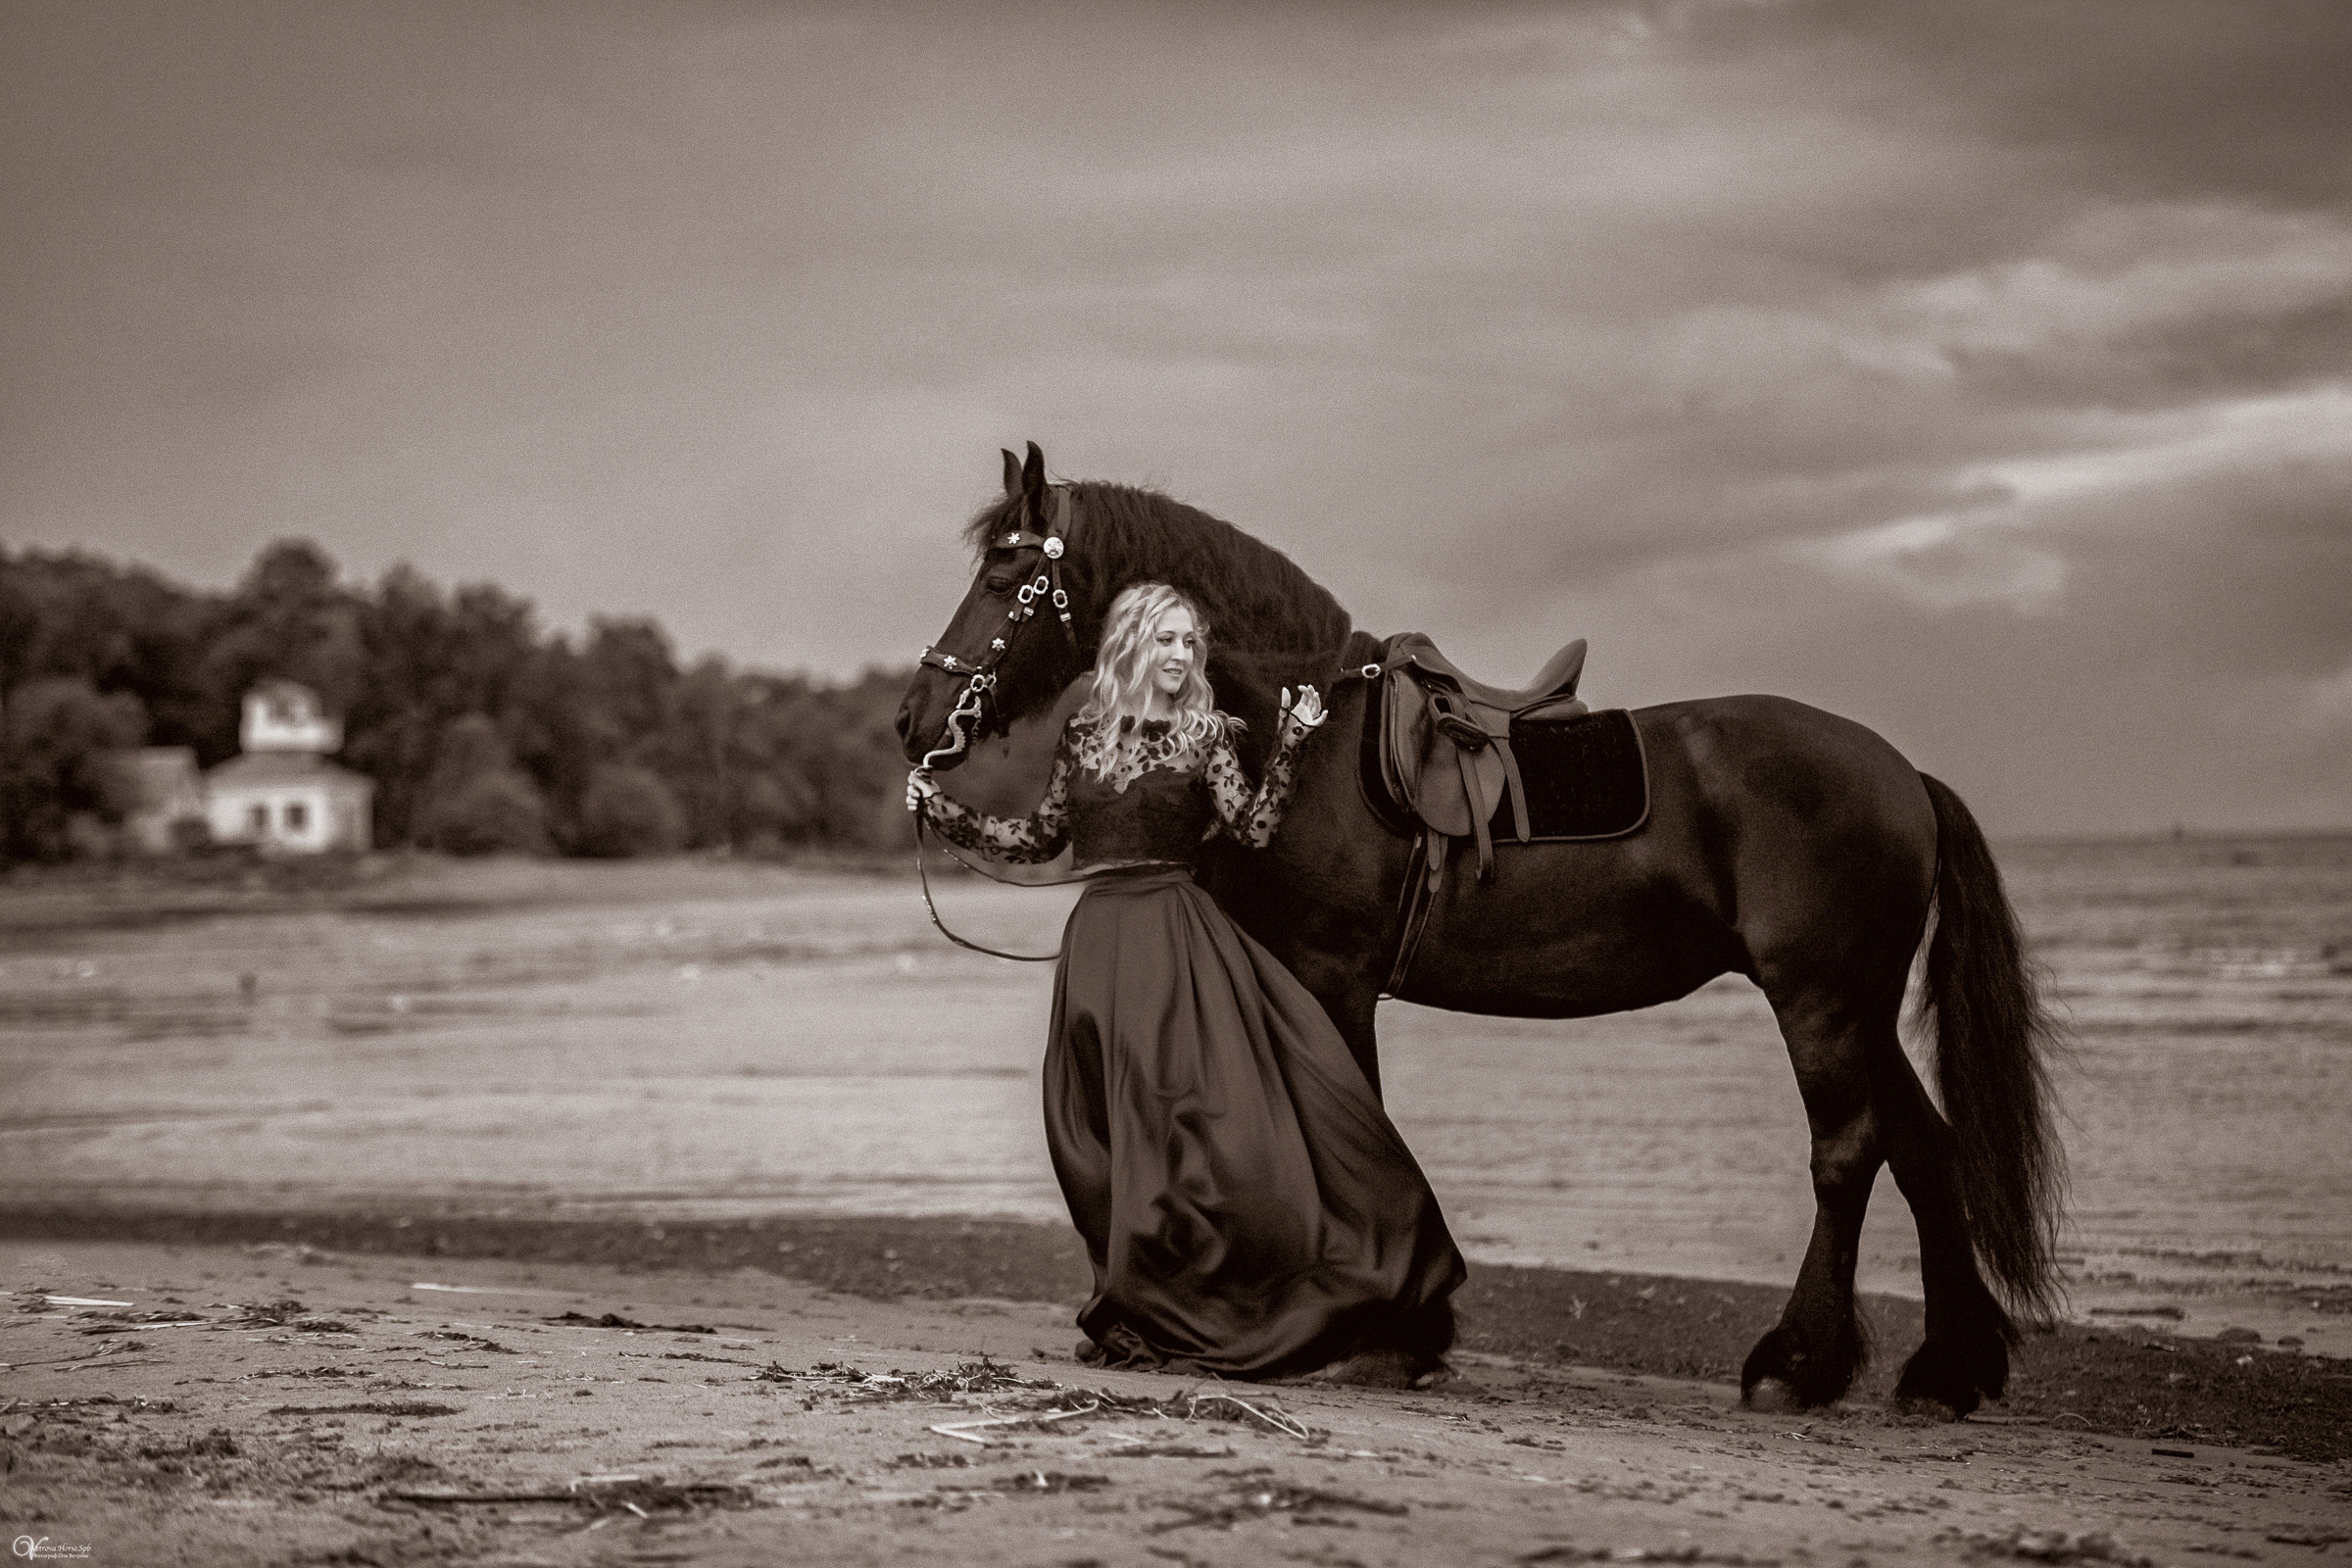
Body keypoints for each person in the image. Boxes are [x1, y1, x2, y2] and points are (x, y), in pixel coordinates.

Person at [907, 581, 1463, 1382]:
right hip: (1101, 946)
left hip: (1177, 936)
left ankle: (1285, 1290)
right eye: (1164, 641)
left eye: (1188, 644)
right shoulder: (1085, 735)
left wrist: (1295, 743)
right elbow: (1036, 838)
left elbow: (1255, 828)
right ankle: (1143, 1304)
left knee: (1208, 1128)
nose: (1179, 657)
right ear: (1132, 645)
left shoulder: (1206, 736)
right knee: (1108, 1137)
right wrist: (942, 810)